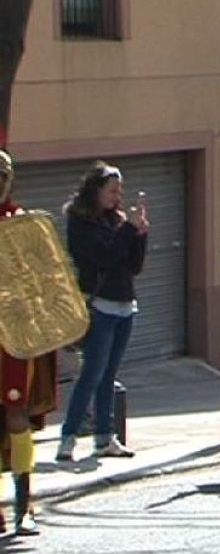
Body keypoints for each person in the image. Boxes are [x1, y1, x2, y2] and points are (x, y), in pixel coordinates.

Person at [56, 162, 147, 462]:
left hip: (124, 304)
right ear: (95, 191)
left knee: (109, 374)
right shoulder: (81, 222)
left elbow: (134, 265)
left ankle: (104, 438)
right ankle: (68, 437)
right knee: (91, 373)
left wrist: (140, 234)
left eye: (119, 191)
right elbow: (104, 256)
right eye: (112, 190)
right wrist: (128, 230)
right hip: (100, 306)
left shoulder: (117, 221)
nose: (117, 196)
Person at [0, 151, 59, 535]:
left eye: (3, 175)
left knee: (15, 415)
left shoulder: (25, 225)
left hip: (14, 338)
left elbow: (49, 280)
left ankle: (25, 504)